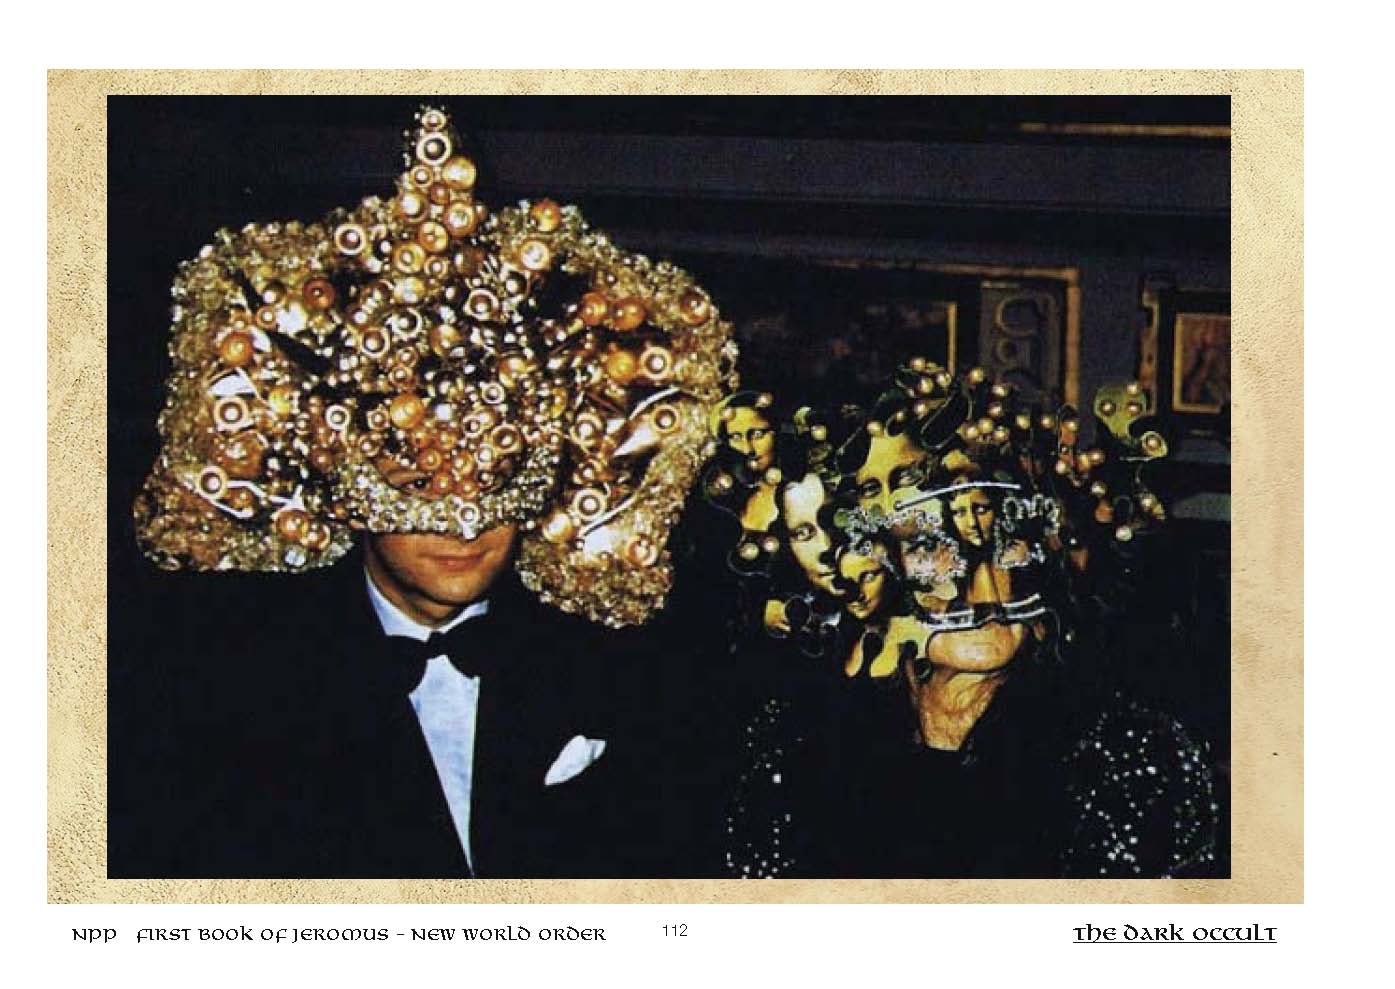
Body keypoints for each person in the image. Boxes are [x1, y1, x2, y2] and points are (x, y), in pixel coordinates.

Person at [110, 106, 737, 878]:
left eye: (496, 473)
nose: (464, 516)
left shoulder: (622, 661)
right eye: (415, 478)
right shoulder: (227, 679)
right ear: (342, 479)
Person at [713, 362, 1220, 878]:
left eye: (1009, 543)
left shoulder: (1126, 755)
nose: (985, 590)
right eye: (932, 547)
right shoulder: (799, 747)